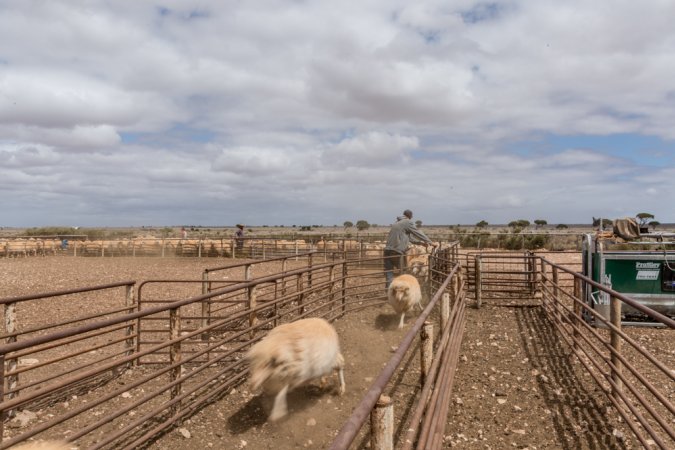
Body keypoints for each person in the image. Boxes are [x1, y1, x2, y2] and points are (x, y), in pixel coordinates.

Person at [384, 209, 436, 288]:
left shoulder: (396, 223)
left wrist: (421, 243)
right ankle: (401, 291)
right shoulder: (407, 222)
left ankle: (389, 293)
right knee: (403, 272)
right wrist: (430, 242)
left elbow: (410, 239)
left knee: (389, 273)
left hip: (387, 251)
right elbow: (418, 232)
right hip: (397, 251)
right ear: (410, 216)